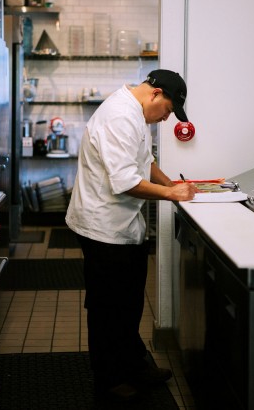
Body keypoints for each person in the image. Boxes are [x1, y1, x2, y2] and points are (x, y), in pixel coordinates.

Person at [65, 69, 198, 402]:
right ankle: (109, 380)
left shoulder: (137, 113)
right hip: (102, 228)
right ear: (155, 94)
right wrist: (173, 196)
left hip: (123, 227)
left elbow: (145, 161)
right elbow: (125, 181)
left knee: (129, 302)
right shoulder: (120, 117)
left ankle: (134, 365)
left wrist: (170, 183)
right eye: (168, 111)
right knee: (108, 306)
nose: (167, 119)